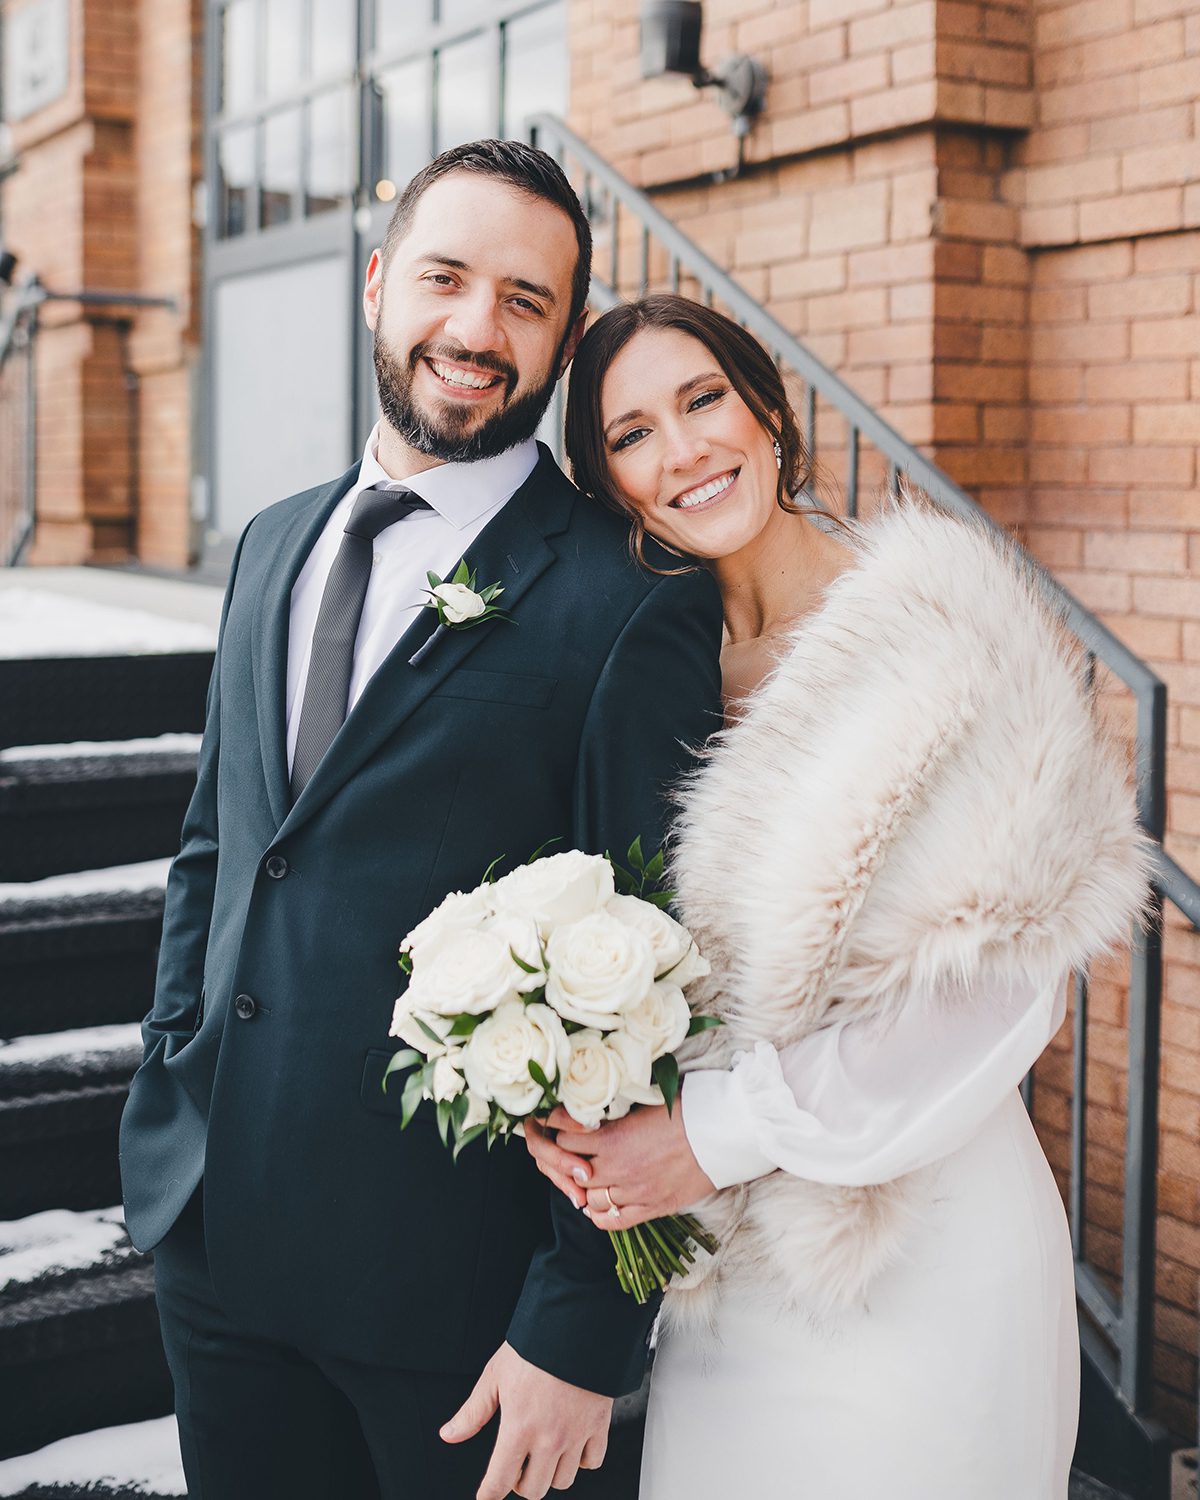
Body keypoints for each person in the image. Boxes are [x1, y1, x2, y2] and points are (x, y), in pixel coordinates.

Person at [118, 152, 723, 1500]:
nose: (476, 328)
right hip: (216, 1250)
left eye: (525, 300)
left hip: (460, 1309)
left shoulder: (631, 595)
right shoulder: (271, 542)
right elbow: (221, 846)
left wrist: (581, 1324)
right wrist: (170, 1070)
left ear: (565, 336)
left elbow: (667, 977)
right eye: (446, 279)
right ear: (379, 283)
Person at [524, 293, 1149, 1498]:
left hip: (915, 1243)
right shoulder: (651, 671)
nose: (684, 449)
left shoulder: (944, 629)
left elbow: (1004, 991)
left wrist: (712, 1136)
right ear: (611, 487)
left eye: (704, 400)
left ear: (768, 409)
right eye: (633, 434)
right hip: (725, 1287)